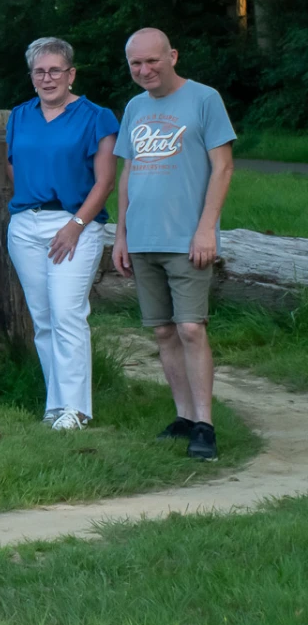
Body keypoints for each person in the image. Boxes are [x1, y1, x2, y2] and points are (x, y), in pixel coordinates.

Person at [113, 28, 236, 461]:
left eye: (152, 61)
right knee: (163, 330)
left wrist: (206, 228)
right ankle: (182, 416)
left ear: (173, 56)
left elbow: (222, 168)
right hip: (142, 236)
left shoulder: (204, 99)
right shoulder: (134, 107)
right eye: (136, 64)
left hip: (186, 238)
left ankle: (205, 425)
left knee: (190, 327)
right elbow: (128, 170)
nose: (145, 70)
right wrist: (121, 234)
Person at [4, 37, 118, 432]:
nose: (47, 78)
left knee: (68, 313)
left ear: (71, 74)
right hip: (25, 224)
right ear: (31, 75)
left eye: (55, 70)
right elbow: (15, 169)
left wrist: (76, 225)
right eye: (39, 71)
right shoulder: (20, 115)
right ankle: (57, 405)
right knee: (43, 318)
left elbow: (105, 182)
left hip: (75, 223)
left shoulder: (96, 116)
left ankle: (77, 408)